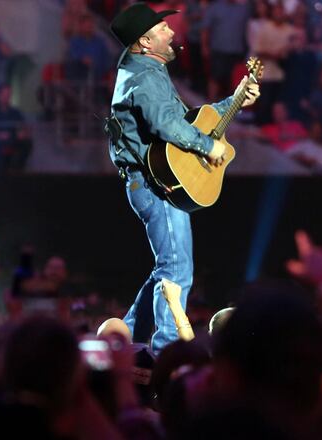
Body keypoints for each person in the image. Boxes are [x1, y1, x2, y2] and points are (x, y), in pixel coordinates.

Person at [107, 3, 259, 353]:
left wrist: (233, 101)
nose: (172, 32)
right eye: (163, 28)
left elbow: (190, 119)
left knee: (167, 266)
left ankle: (129, 337)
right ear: (145, 42)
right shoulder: (144, 76)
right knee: (176, 267)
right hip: (153, 183)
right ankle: (164, 352)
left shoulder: (145, 71)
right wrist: (207, 146)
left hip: (155, 183)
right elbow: (168, 125)